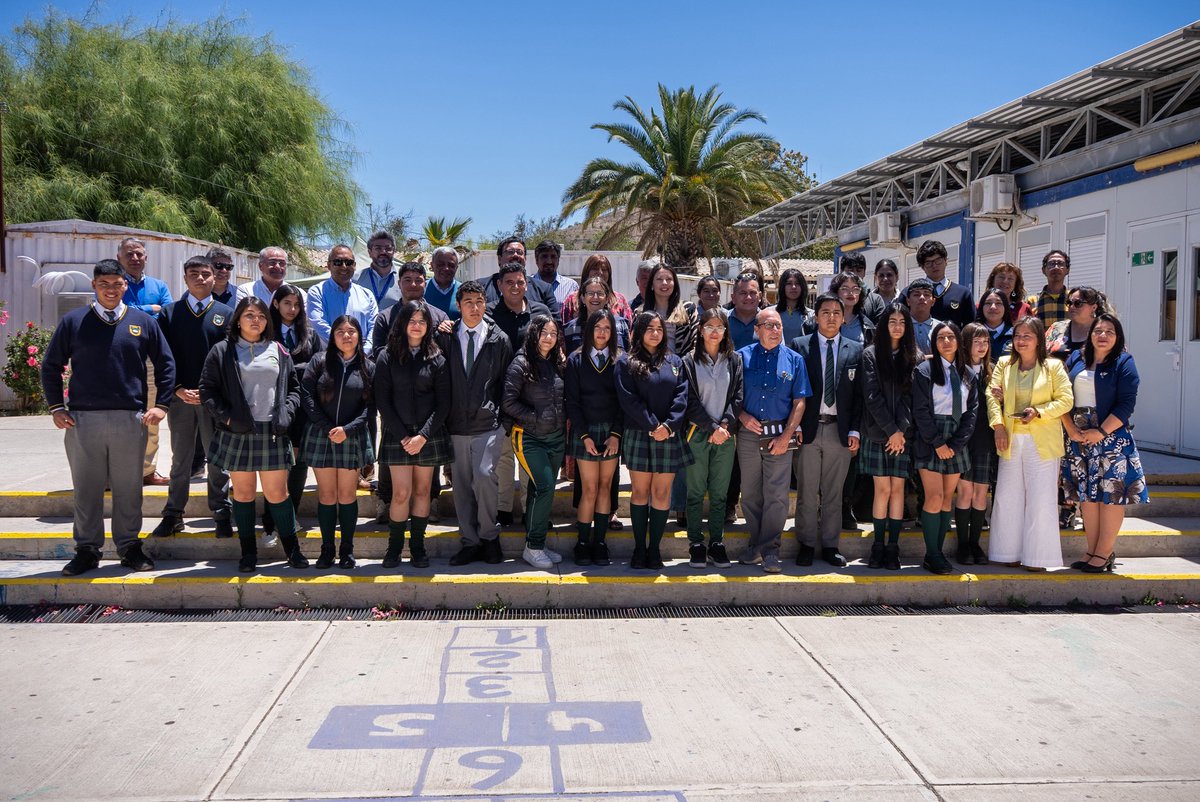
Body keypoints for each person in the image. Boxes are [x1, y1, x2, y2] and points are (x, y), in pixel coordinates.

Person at [41, 259, 176, 576]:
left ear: (125, 286)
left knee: (129, 488)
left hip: (130, 419)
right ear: (94, 286)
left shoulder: (143, 322)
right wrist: (56, 407)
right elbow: (51, 366)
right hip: (82, 420)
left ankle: (129, 547)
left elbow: (167, 365)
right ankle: (87, 550)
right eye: (104, 284)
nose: (111, 290)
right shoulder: (74, 321)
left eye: (117, 284)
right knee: (86, 489)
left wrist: (162, 406)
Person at [199, 297, 303, 573]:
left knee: (278, 493)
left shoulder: (279, 350)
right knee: (243, 494)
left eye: (260, 315)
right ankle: (248, 553)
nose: (255, 320)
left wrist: (287, 413)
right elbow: (207, 391)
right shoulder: (223, 350)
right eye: (249, 315)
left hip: (272, 431)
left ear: (267, 321)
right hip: (239, 431)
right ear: (238, 320)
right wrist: (229, 418)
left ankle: (293, 550)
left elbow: (293, 388)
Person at [151, 255, 234, 541]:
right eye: (194, 273)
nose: (200, 278)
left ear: (215, 278)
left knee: (217, 458)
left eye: (206, 274)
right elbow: (163, 358)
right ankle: (173, 513)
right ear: (185, 278)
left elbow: (229, 361)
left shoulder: (227, 313)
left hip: (213, 400)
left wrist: (210, 393)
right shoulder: (169, 313)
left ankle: (221, 511)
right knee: (181, 459)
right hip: (180, 398)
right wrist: (177, 389)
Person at [1061, 313, 1148, 572]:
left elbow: (1126, 404)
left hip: (1112, 438)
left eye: (1109, 331)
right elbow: (1062, 393)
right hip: (1079, 437)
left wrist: (1100, 431)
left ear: (1117, 336)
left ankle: (1104, 552)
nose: (1103, 335)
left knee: (1110, 496)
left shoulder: (1124, 361)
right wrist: (1072, 429)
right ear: (1091, 333)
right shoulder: (1077, 357)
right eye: (1098, 330)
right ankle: (1091, 551)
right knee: (1087, 496)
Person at [986, 317, 1074, 571]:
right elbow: (991, 396)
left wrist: (1039, 411)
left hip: (1042, 440)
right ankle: (1006, 553)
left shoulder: (1053, 367)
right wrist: (998, 426)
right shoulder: (1004, 364)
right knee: (1006, 496)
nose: (1021, 341)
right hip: (1010, 438)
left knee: (1041, 498)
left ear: (1039, 340)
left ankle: (1038, 558)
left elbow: (1066, 401)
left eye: (1027, 336)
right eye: (1017, 336)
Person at [437, 280, 513, 565]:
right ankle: (470, 542)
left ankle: (489, 537)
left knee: (484, 478)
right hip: (456, 423)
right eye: (468, 302)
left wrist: (503, 421)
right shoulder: (447, 336)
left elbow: (507, 383)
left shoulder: (498, 339)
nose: (474, 307)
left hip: (488, 424)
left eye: (479, 301)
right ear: (459, 306)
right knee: (461, 486)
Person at [375, 300, 451, 568]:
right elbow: (382, 401)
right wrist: (404, 436)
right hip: (398, 435)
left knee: (422, 492)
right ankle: (394, 549)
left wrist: (423, 436)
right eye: (412, 320)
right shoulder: (387, 356)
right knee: (400, 494)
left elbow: (444, 403)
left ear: (428, 325)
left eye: (422, 321)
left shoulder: (437, 357)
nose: (417, 326)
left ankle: (418, 548)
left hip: (427, 436)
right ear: (402, 323)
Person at [790, 293, 864, 567]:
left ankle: (831, 545)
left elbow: (859, 397)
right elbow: (792, 391)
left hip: (840, 431)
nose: (831, 316)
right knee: (807, 491)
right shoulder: (800, 346)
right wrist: (794, 424)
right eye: (826, 312)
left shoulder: (855, 349)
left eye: (837, 312)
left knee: (834, 492)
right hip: (808, 428)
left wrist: (855, 431)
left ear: (844, 318)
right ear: (816, 316)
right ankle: (807, 544)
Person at [614, 312, 693, 570]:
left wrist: (668, 426)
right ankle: (639, 549)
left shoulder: (675, 361)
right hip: (640, 433)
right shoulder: (626, 362)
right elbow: (628, 400)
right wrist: (652, 425)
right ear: (638, 331)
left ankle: (654, 549)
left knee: (661, 493)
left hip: (668, 435)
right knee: (639, 492)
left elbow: (682, 396)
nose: (656, 333)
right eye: (650, 328)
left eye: (660, 328)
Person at [736, 308, 811, 573]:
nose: (775, 330)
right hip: (748, 434)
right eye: (769, 325)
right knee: (751, 494)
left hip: (780, 434)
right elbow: (732, 395)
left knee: (777, 495)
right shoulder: (740, 357)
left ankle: (770, 549)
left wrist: (787, 435)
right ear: (757, 329)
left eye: (778, 325)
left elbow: (799, 401)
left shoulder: (794, 360)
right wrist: (742, 416)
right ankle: (756, 545)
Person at [301, 316, 375, 569]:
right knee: (327, 494)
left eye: (351, 331)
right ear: (332, 335)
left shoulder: (368, 366)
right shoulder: (320, 361)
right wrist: (328, 427)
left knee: (347, 494)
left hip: (351, 435)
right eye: (340, 331)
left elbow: (370, 407)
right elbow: (307, 396)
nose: (346, 336)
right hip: (322, 433)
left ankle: (347, 550)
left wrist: (348, 429)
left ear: (359, 335)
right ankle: (326, 549)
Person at [489, 261, 552, 527]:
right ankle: (503, 510)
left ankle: (530, 510)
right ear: (499, 285)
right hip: (499, 394)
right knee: (503, 457)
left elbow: (552, 341)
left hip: (533, 397)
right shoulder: (489, 312)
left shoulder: (540, 311)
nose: (515, 286)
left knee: (529, 457)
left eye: (520, 281)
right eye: (509, 282)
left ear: (527, 283)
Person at [912, 322, 977, 574]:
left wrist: (955, 443)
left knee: (946, 501)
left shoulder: (968, 374)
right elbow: (920, 410)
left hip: (957, 438)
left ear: (959, 341)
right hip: (931, 439)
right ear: (934, 342)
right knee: (935, 496)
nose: (946, 342)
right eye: (941, 338)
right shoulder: (924, 371)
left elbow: (971, 413)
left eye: (951, 337)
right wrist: (938, 443)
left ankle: (936, 554)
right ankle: (933, 553)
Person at [503, 315, 568, 569]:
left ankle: (536, 542)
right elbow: (508, 402)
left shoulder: (555, 362)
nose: (549, 338)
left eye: (553, 333)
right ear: (534, 334)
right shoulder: (520, 363)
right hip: (529, 437)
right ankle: (533, 546)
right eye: (544, 333)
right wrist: (534, 417)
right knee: (545, 486)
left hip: (555, 436)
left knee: (540, 491)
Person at [681, 309, 743, 569]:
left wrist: (725, 425)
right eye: (709, 326)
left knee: (719, 494)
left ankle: (716, 543)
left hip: (726, 436)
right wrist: (711, 426)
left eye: (720, 326)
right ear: (701, 329)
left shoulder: (734, 360)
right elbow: (689, 401)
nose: (715, 331)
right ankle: (696, 543)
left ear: (725, 331)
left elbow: (737, 396)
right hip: (698, 433)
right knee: (695, 492)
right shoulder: (688, 361)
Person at [264, 284, 323, 547]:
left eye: (297, 305)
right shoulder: (263, 331)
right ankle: (270, 522)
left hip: (300, 407)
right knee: (273, 466)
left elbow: (319, 366)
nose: (292, 309)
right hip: (268, 406)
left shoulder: (309, 335)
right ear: (276, 304)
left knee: (298, 463)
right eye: (287, 303)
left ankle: (290, 515)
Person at [860, 302, 918, 570]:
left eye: (902, 322)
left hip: (902, 436)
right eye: (892, 321)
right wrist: (891, 430)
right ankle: (877, 546)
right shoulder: (871, 355)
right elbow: (872, 397)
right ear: (884, 325)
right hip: (877, 433)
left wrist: (901, 430)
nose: (897, 326)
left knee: (898, 489)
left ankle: (893, 547)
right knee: (882, 489)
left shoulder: (912, 356)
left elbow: (911, 398)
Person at [565, 309, 624, 566]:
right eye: (597, 327)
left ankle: (600, 542)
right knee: (588, 488)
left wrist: (615, 435)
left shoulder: (620, 360)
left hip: (610, 432)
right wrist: (584, 436)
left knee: (605, 486)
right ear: (589, 330)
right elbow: (572, 402)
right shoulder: (576, 360)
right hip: (584, 432)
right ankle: (582, 542)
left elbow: (624, 402)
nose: (602, 332)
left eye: (607, 328)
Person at [117, 237, 173, 486]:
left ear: (146, 258)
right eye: (129, 254)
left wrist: (138, 309)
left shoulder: (159, 286)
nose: (135, 258)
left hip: (151, 361)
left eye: (139, 254)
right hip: (121, 362)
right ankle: (119, 472)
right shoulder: (115, 284)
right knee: (120, 420)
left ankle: (148, 470)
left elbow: (168, 313)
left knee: (151, 417)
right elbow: (119, 311)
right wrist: (151, 309)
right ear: (120, 257)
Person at [953, 323, 997, 565]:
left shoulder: (994, 371)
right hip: (962, 438)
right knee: (965, 491)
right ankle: (962, 546)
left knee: (981, 493)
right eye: (976, 341)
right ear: (966, 343)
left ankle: (975, 544)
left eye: (986, 342)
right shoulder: (958, 371)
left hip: (985, 439)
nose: (981, 346)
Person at [306, 244, 378, 354]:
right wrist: (347, 347)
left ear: (354, 265)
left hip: (363, 358)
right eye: (338, 262)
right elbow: (318, 324)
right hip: (330, 357)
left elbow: (374, 327)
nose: (344, 266)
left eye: (348, 262)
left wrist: (364, 351)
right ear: (329, 265)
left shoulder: (367, 295)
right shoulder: (317, 292)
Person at [902, 240, 974, 328]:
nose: (934, 266)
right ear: (922, 267)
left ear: (946, 260)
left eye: (938, 260)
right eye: (928, 263)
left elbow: (971, 329)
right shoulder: (909, 293)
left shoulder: (963, 294)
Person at [479, 237, 558, 313]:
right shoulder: (481, 287)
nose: (515, 255)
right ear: (499, 259)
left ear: (525, 259)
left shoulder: (543, 289)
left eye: (520, 252)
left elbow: (554, 323)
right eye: (510, 252)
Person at [636, 264, 698, 356]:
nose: (664, 283)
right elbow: (635, 343)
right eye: (659, 279)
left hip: (680, 365)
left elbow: (696, 342)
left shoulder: (688, 309)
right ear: (652, 284)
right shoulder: (640, 312)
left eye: (669, 279)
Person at [562, 276, 630, 355]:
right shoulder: (570, 328)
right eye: (590, 293)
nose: (595, 297)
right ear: (583, 298)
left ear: (607, 299)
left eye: (600, 293)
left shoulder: (620, 324)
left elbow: (627, 353)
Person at [560, 253, 633, 325]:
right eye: (595, 269)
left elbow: (628, 328)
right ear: (587, 272)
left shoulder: (619, 300)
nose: (600, 272)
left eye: (604, 270)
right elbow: (563, 329)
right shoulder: (572, 300)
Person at [1047, 285, 1104, 361]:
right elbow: (1041, 354)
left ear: (1093, 307)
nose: (1072, 307)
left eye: (1078, 303)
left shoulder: (1105, 331)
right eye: (1069, 303)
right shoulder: (1056, 328)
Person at [818, 270, 875, 346]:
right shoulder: (821, 321)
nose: (851, 293)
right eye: (845, 288)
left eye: (855, 289)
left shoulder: (867, 324)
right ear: (836, 291)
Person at [356, 230, 403, 313]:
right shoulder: (356, 279)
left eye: (388, 248)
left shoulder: (403, 279)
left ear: (393, 252)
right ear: (369, 252)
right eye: (378, 248)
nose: (383, 252)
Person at [530, 240, 579, 312]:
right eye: (544, 256)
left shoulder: (571, 286)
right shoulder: (527, 285)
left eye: (553, 257)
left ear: (558, 260)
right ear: (536, 260)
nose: (549, 261)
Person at [1029, 249, 1071, 326]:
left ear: (1067, 270)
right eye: (1051, 263)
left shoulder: (1073, 300)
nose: (1056, 267)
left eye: (1060, 263)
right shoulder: (1032, 301)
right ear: (1043, 270)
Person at [423, 246, 462, 321]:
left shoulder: (463, 291)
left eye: (451, 265)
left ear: (456, 268)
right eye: (440, 264)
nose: (446, 268)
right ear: (432, 266)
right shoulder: (421, 289)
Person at [727, 271, 763, 349]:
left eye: (753, 293)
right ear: (733, 298)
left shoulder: (770, 321)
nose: (748, 297)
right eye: (743, 293)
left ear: (760, 296)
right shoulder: (722, 321)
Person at [904, 277, 940, 354]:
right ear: (908, 301)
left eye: (926, 294)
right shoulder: (900, 326)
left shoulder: (941, 328)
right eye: (916, 294)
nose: (922, 298)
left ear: (933, 301)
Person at [976, 287, 1014, 358]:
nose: (993, 307)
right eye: (988, 303)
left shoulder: (1015, 335)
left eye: (998, 303)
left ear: (1005, 307)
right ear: (981, 307)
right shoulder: (972, 334)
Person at [775, 268, 809, 345]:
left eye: (797, 283)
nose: (793, 287)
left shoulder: (811, 316)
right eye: (789, 283)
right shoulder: (770, 313)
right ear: (782, 286)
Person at [862, 258, 899, 325]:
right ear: (875, 278)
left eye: (889, 275)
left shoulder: (903, 299)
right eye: (881, 275)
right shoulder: (867, 301)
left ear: (897, 277)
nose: (885, 279)